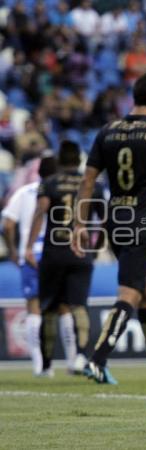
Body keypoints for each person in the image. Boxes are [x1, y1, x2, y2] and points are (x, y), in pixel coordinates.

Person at [71, 71, 146, 384]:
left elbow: (87, 181)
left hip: (114, 221)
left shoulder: (107, 131)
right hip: (143, 224)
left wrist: (79, 224)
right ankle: (96, 359)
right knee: (131, 293)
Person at [25, 141, 94, 375]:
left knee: (49, 308)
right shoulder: (90, 183)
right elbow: (102, 216)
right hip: (81, 253)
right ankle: (81, 356)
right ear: (79, 159)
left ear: (60, 160)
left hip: (54, 252)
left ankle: (45, 365)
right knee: (79, 306)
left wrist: (27, 246)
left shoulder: (49, 183)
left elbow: (40, 211)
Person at [2, 151, 58, 375]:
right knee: (60, 307)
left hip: (31, 254)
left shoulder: (23, 193)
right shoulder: (64, 189)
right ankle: (73, 361)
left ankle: (40, 365)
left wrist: (14, 251)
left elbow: (6, 225)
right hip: (55, 253)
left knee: (33, 307)